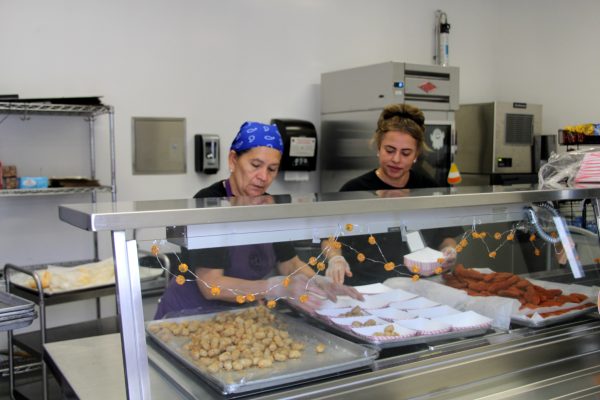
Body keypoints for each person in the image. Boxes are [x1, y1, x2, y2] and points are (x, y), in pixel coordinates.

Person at [155, 121, 362, 319]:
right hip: (189, 314)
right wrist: (276, 287)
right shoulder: (209, 203)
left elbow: (289, 264)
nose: (263, 177)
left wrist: (319, 282)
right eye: (255, 165)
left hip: (240, 315)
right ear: (233, 160)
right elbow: (211, 285)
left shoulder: (268, 206)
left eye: (271, 169)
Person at [326, 104, 459, 285]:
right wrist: (335, 259)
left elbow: (445, 235)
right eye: (389, 150)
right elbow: (331, 238)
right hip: (367, 287)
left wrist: (449, 250)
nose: (396, 159)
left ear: (416, 154)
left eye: (405, 153)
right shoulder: (354, 189)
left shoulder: (428, 188)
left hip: (418, 286)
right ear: (378, 148)